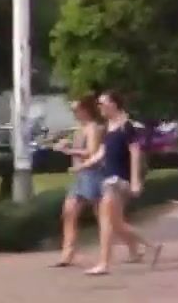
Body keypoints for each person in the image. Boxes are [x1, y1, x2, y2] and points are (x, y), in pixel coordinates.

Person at [84, 90, 159, 276]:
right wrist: (85, 164)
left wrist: (135, 180)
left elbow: (135, 152)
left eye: (103, 103)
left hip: (118, 180)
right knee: (116, 223)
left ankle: (104, 263)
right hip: (108, 178)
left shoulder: (126, 126)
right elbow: (102, 152)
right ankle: (152, 246)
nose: (100, 107)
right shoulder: (108, 127)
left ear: (114, 104)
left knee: (106, 221)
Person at [54, 96, 104, 268]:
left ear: (86, 110)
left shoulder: (93, 128)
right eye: (73, 110)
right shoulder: (79, 129)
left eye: (77, 110)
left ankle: (134, 245)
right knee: (69, 212)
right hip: (79, 176)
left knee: (105, 217)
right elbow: (79, 147)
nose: (75, 113)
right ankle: (67, 253)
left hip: (92, 175)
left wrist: (69, 151)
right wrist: (66, 144)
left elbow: (92, 152)